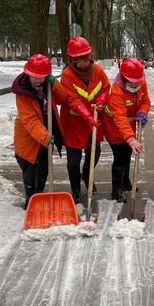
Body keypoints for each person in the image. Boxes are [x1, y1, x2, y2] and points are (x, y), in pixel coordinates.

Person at [12, 54, 67, 209]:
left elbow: (63, 100)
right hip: (29, 136)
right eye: (34, 76)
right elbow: (30, 120)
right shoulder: (22, 92)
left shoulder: (47, 86)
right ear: (27, 73)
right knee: (30, 168)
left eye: (42, 76)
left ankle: (40, 195)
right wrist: (46, 136)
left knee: (44, 169)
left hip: (46, 131)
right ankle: (30, 200)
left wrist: (54, 84)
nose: (37, 79)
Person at [60, 36, 110, 203]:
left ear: (90, 56)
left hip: (94, 122)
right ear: (71, 60)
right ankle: (75, 189)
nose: (82, 63)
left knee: (94, 154)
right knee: (73, 161)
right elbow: (72, 99)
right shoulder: (67, 75)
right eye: (77, 60)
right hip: (74, 123)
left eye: (85, 59)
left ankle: (87, 176)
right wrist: (87, 115)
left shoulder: (98, 70)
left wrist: (102, 99)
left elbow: (105, 87)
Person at [103, 58, 151, 203]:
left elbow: (145, 101)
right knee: (120, 156)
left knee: (128, 153)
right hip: (114, 127)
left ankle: (125, 182)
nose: (136, 85)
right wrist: (131, 139)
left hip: (129, 126)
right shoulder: (116, 92)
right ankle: (116, 190)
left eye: (137, 81)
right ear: (123, 78)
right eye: (132, 82)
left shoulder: (141, 83)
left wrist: (143, 112)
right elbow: (120, 118)